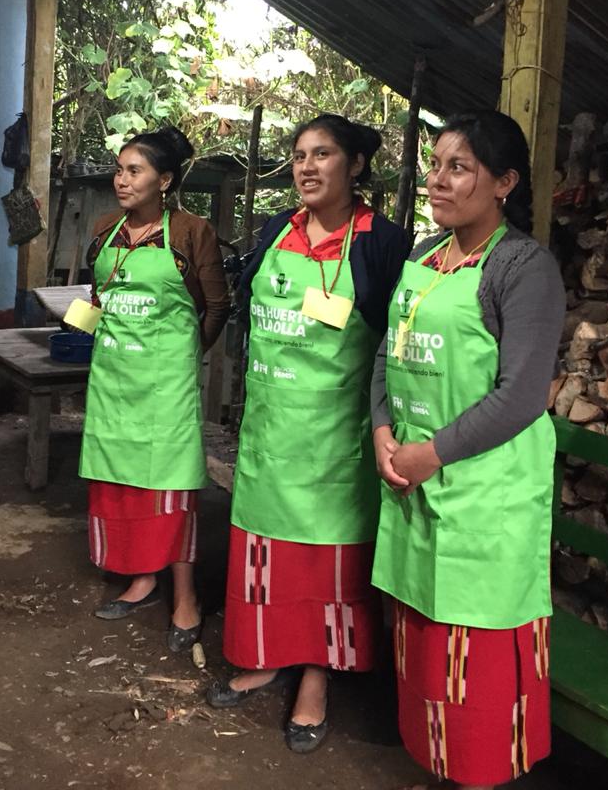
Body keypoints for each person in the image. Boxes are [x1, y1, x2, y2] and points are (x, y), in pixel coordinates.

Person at [370, 111, 564, 790]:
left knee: (476, 662)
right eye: (436, 164)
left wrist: (432, 455)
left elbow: (521, 395)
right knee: (426, 649)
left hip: (487, 497)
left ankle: (482, 777)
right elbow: (387, 352)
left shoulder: (522, 266)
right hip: (416, 482)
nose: (439, 180)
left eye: (460, 167)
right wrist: (382, 430)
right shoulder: (425, 256)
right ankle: (441, 771)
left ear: (504, 182)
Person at [206, 113, 409, 754]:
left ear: (354, 165)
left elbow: (393, 351)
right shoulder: (276, 231)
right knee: (268, 559)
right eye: (299, 155)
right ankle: (265, 657)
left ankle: (315, 679)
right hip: (270, 434)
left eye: (323, 154)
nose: (307, 167)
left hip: (336, 443)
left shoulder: (383, 244)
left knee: (324, 567)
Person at [79, 126, 230, 652]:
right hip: (112, 384)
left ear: (163, 180)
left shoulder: (191, 232)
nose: (122, 180)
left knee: (170, 494)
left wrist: (187, 356)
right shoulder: (104, 230)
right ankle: (140, 579)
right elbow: (96, 298)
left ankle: (184, 598)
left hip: (166, 389)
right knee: (121, 490)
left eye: (134, 171)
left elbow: (217, 305)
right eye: (119, 169)